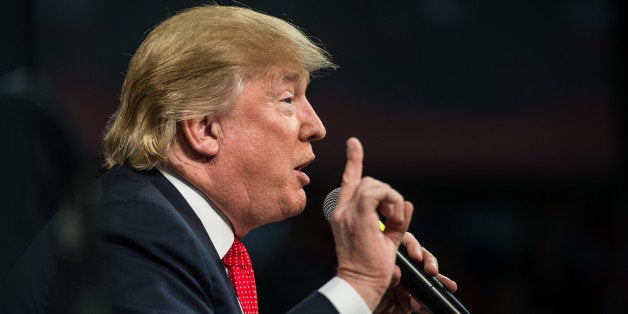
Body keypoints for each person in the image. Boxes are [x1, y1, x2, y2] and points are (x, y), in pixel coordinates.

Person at [3, 4, 458, 313]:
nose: (316, 125)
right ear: (203, 128)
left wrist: (363, 303)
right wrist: (355, 282)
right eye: (287, 98)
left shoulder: (173, 229)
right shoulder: (134, 226)